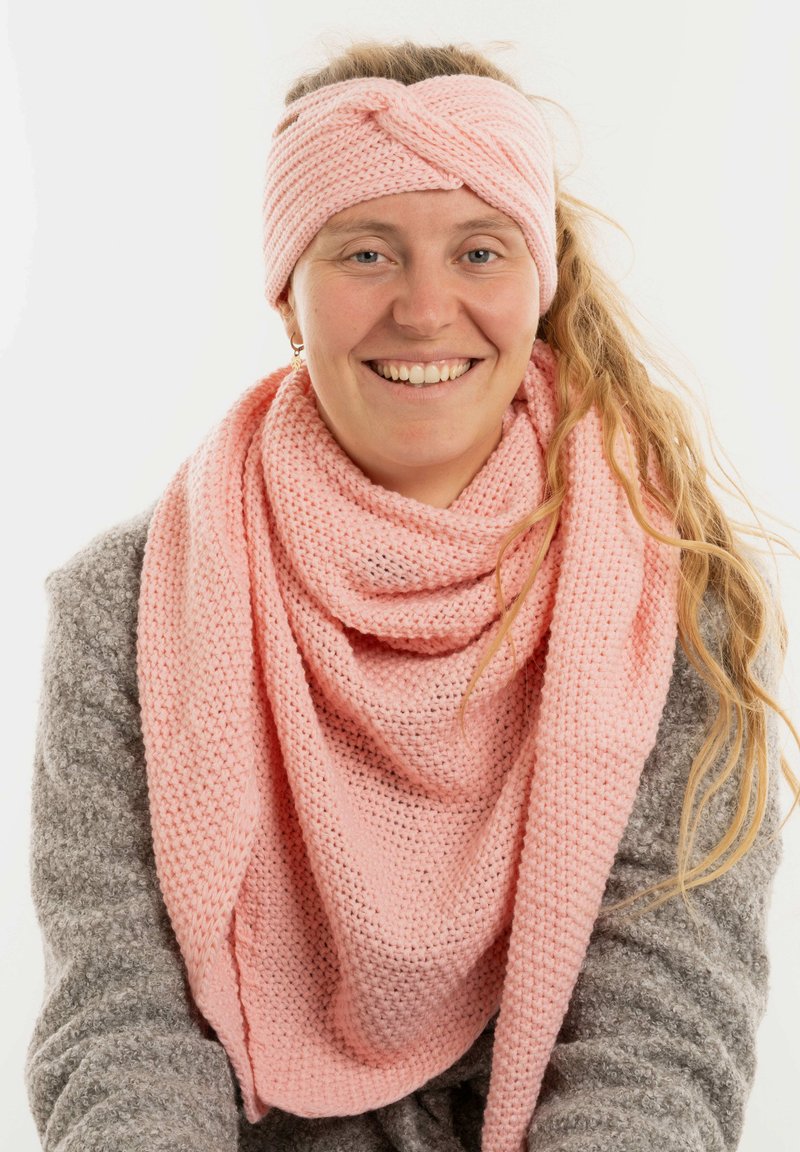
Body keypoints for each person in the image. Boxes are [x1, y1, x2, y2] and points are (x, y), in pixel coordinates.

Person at [24, 38, 799, 1152]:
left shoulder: (672, 601)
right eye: (364, 254)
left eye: (478, 251)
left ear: (540, 285)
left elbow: (654, 1041)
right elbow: (123, 1028)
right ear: (286, 296)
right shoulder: (127, 602)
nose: (426, 310)